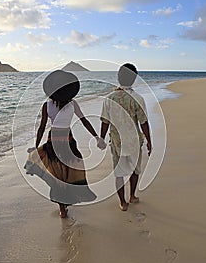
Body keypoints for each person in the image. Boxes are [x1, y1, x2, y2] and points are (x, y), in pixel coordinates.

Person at [25, 70, 106, 218]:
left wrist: (36, 145)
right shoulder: (72, 104)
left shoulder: (46, 105)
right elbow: (84, 120)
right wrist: (96, 137)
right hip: (68, 141)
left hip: (53, 141)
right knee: (70, 172)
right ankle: (68, 201)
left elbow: (42, 127)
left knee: (57, 175)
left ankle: (62, 209)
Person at [99, 63, 152, 211]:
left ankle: (122, 202)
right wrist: (149, 141)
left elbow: (105, 121)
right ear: (134, 78)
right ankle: (132, 196)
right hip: (134, 141)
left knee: (119, 173)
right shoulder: (137, 98)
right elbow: (144, 122)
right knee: (135, 170)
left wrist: (101, 139)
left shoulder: (109, 98)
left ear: (118, 77)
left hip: (117, 142)